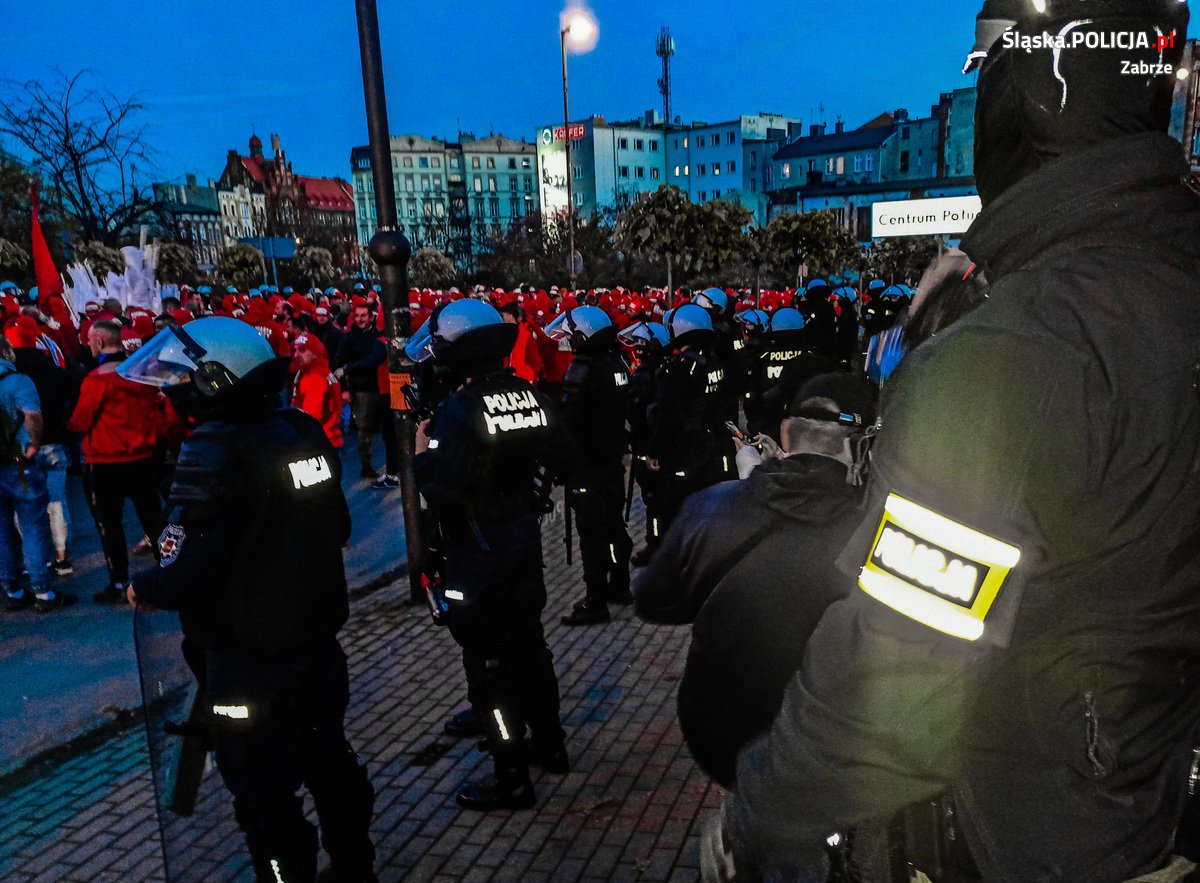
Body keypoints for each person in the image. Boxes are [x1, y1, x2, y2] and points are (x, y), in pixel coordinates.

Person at [701, 2, 1200, 881]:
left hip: (1035, 830)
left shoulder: (1015, 353)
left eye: (990, 71)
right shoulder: (1161, 277)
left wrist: (758, 822)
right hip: (1143, 786)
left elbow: (895, 678)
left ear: (1040, 87)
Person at [122, 317, 377, 883]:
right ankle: (356, 870)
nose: (174, 388)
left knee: (263, 792)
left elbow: (191, 568)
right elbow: (336, 524)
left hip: (246, 660)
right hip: (314, 641)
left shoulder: (213, 449)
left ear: (216, 380)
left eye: (184, 377)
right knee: (329, 761)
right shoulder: (299, 429)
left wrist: (145, 587)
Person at [633, 373, 874, 788]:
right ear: (860, 447)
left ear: (785, 434)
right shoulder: (877, 528)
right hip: (825, 739)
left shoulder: (710, 505)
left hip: (718, 731)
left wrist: (746, 489)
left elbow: (654, 600)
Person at [407, 299, 578, 811]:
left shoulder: (458, 410)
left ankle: (510, 777)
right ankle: (550, 744)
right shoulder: (529, 395)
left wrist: (421, 455)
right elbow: (566, 460)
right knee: (531, 646)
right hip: (521, 542)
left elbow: (442, 493)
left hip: (477, 553)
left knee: (488, 667)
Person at [545, 306, 634, 626]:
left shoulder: (582, 368)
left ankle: (595, 600)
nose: (568, 338)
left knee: (592, 534)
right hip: (611, 461)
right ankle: (619, 584)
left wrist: (558, 465)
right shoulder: (616, 362)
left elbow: (566, 422)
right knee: (614, 526)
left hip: (586, 466)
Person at [67, 320, 167, 604]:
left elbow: (80, 421)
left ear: (99, 341)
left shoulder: (96, 381)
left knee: (110, 525)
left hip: (105, 461)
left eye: (89, 339)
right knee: (153, 518)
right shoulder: (141, 377)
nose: (86, 344)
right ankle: (169, 571)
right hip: (142, 458)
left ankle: (120, 581)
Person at [0, 336, 65, 612]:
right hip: (19, 464)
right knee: (32, 524)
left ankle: (12, 589)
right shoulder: (18, 381)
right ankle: (42, 591)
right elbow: (33, 416)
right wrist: (34, 444)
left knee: (1, 529)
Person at [7, 317, 75, 577]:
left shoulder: (10, 378)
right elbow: (71, 402)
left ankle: (35, 562)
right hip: (54, 444)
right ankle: (62, 557)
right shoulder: (56, 372)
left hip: (22, 450)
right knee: (57, 502)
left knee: (24, 509)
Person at [333, 304, 390, 481]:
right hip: (362, 391)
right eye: (357, 315)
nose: (360, 319)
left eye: (363, 315)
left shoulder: (378, 336)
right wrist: (344, 389)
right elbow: (338, 365)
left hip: (382, 388)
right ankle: (366, 466)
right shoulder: (349, 338)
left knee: (386, 430)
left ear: (371, 317)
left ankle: (392, 467)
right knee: (365, 431)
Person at [290, 334, 343, 449]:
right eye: (295, 350)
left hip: (316, 443)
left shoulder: (313, 377)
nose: (296, 354)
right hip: (329, 440)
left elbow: (311, 418)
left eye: (302, 350)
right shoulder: (323, 371)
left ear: (314, 353)